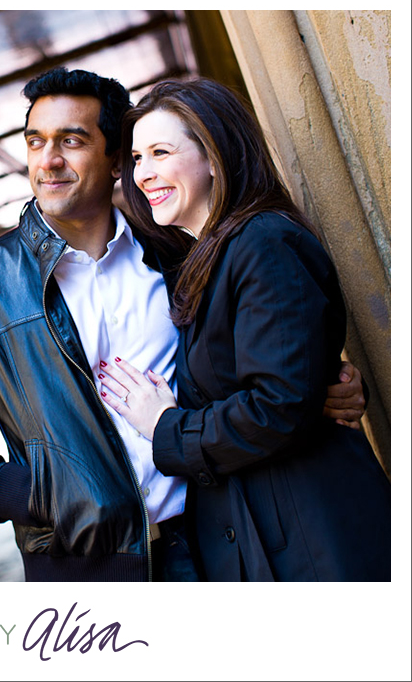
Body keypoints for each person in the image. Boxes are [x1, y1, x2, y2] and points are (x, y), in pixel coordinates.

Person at [0, 67, 366, 582]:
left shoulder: (178, 250)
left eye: (72, 140)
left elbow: (257, 360)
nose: (48, 160)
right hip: (87, 565)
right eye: (36, 142)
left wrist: (322, 387)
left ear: (114, 158)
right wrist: (34, 493)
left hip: (223, 538)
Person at [100, 77, 390, 581]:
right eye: (138, 158)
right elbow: (282, 390)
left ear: (215, 156)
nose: (143, 174)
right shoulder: (202, 256)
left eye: (160, 152)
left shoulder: (264, 243)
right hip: (264, 542)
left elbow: (277, 406)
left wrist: (165, 426)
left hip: (315, 543)